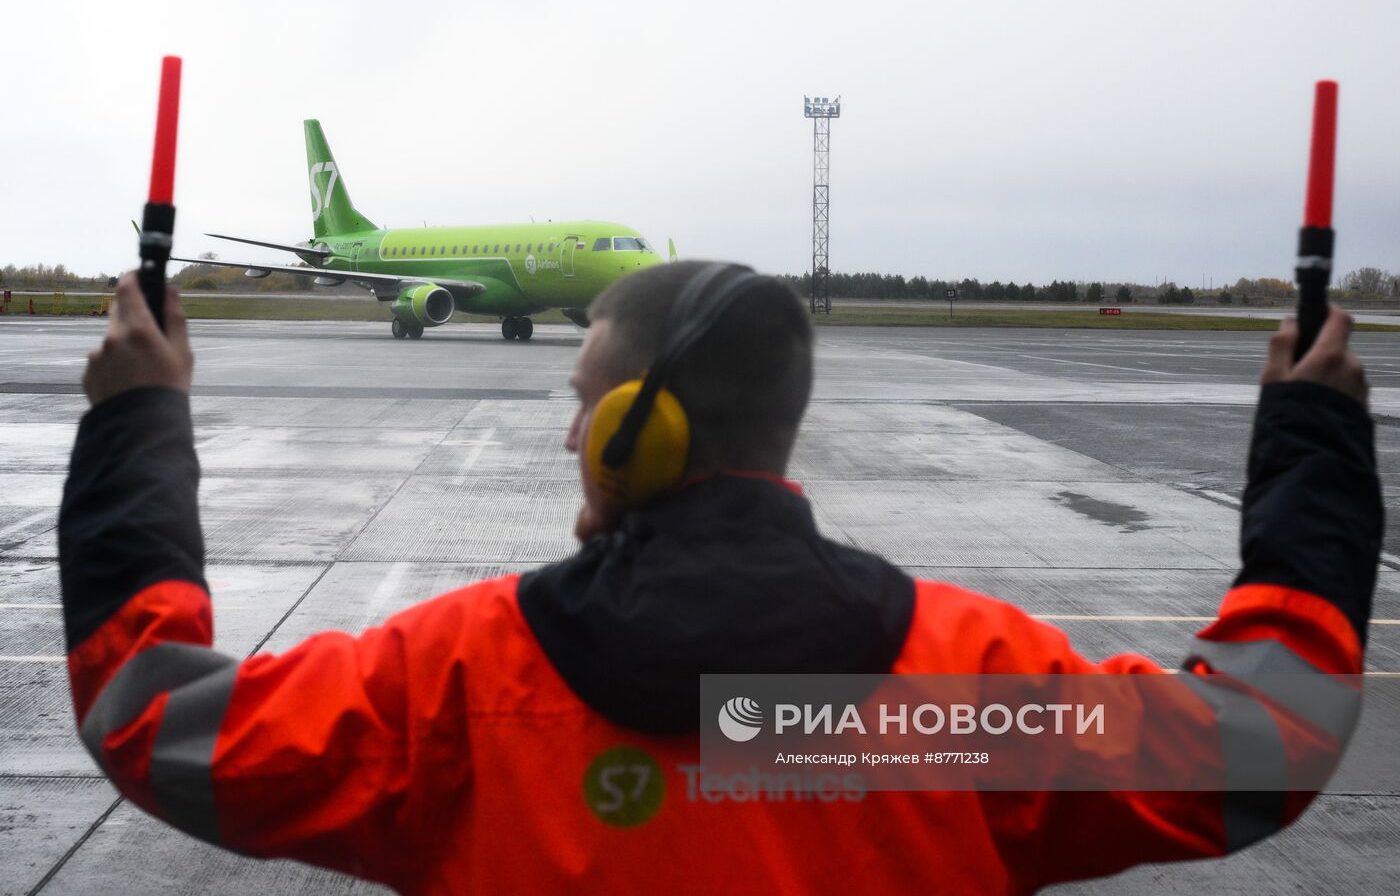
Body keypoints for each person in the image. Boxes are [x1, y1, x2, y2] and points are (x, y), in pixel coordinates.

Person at [60, 264, 1379, 894]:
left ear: (651, 429)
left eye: (586, 402)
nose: (570, 434)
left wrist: (135, 420)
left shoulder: (457, 682)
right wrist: (1311, 447)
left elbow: (145, 712)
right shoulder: (969, 689)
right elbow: (1269, 738)